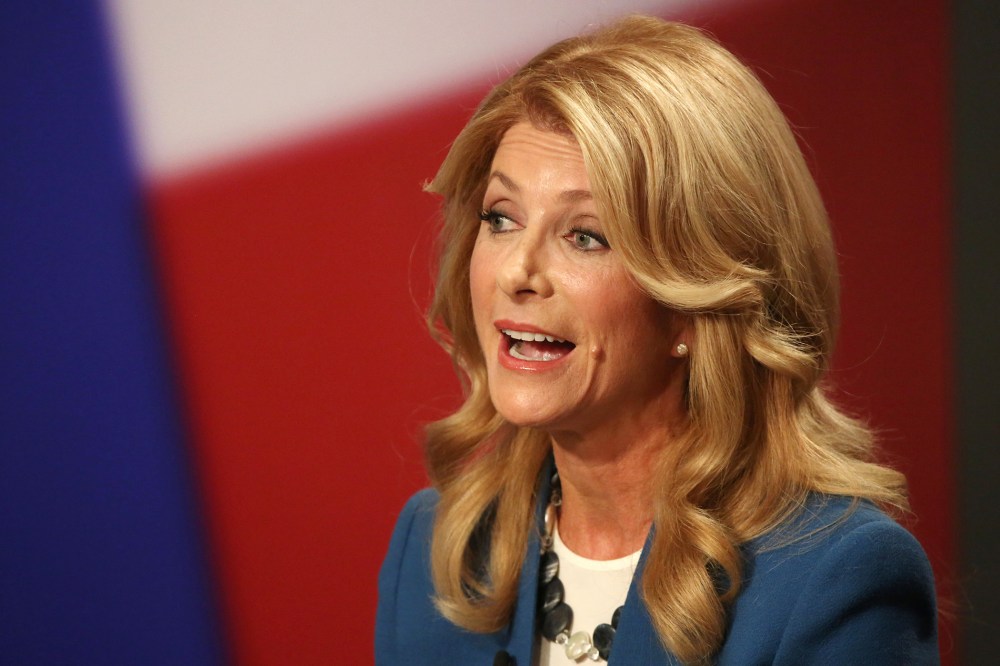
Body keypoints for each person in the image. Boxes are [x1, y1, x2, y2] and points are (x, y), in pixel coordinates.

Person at [375, 15, 938, 666]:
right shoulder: (440, 550)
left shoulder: (832, 581)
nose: (515, 272)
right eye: (501, 218)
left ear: (693, 298)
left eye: (585, 235)